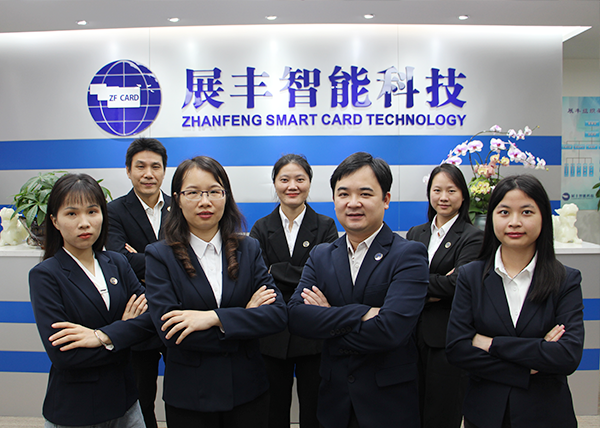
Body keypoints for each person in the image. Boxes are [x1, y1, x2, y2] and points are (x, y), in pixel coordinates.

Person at [144, 156, 288, 428]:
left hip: (248, 393)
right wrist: (244, 317)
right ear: (177, 199)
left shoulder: (249, 248)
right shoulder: (160, 256)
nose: (205, 201)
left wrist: (213, 318)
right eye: (193, 193)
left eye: (213, 191)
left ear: (226, 196)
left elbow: (277, 315)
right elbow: (172, 332)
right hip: (191, 398)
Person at [288, 152, 429, 428]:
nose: (353, 203)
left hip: (388, 405)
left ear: (386, 199)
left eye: (365, 194)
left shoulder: (408, 254)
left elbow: (391, 330)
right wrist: (363, 313)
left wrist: (328, 317)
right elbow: (296, 317)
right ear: (334, 200)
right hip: (334, 402)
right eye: (343, 194)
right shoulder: (321, 255)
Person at [446, 174, 584, 428]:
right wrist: (532, 359)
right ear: (492, 218)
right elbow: (458, 349)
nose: (515, 222)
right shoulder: (471, 276)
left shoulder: (565, 280)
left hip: (546, 415)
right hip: (486, 414)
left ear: (543, 217)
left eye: (527, 212)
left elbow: (567, 356)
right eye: (504, 212)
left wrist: (491, 343)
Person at [29, 173, 156, 428]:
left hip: (126, 403)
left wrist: (100, 336)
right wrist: (123, 332)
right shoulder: (45, 275)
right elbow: (65, 356)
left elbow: (151, 320)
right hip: (77, 409)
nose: (84, 223)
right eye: (72, 214)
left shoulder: (117, 262)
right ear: (54, 220)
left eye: (92, 211)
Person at [250, 154, 338, 428]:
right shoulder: (261, 227)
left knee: (315, 410)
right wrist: (303, 274)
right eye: (284, 179)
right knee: (272, 413)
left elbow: (326, 276)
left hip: (313, 332)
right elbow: (257, 278)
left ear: (309, 182)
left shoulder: (326, 225)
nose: (292, 186)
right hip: (271, 333)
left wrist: (276, 270)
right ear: (275, 183)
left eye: (300, 179)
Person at [406, 163, 483, 428]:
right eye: (437, 190)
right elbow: (402, 281)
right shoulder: (416, 233)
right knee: (411, 410)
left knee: (442, 413)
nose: (443, 197)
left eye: (451, 190)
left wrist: (419, 285)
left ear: (463, 195)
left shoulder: (473, 237)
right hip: (411, 335)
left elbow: (459, 285)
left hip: (447, 337)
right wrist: (437, 284)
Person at [106, 137, 170, 428]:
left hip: (178, 310)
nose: (148, 174)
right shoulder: (113, 211)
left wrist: (140, 257)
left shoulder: (181, 206)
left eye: (155, 166)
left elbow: (191, 257)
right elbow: (121, 261)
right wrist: (170, 259)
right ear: (128, 170)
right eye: (140, 166)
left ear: (164, 170)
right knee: (142, 394)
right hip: (139, 309)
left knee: (183, 391)